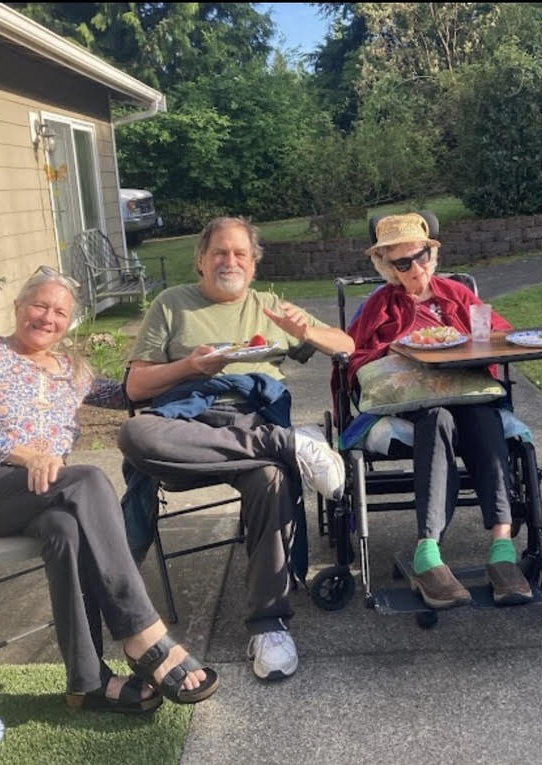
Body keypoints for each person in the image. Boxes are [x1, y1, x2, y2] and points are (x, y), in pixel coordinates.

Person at [0, 266, 217, 713]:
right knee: (86, 479)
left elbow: (127, 392)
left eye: (60, 312)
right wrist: (26, 454)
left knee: (64, 528)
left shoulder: (70, 369)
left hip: (44, 494)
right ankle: (143, 632)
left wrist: (192, 367)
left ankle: (86, 682)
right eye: (39, 305)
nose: (48, 318)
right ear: (17, 307)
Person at [117, 216, 353, 682]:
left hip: (251, 415)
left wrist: (302, 330)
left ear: (253, 261)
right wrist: (189, 365)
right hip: (188, 425)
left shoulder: (268, 305)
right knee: (135, 435)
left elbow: (345, 344)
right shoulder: (171, 304)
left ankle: (269, 626)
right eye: (220, 253)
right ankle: (288, 444)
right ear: (201, 259)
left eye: (240, 253)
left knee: (269, 477)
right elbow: (135, 387)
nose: (230, 261)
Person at [340, 212, 535, 610]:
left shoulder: (458, 296)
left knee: (482, 416)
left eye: (422, 256)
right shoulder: (379, 306)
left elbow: (499, 334)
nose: (416, 268)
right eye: (402, 262)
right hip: (415, 405)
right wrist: (399, 351)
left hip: (468, 394)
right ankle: (427, 552)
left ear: (432, 254)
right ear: (387, 267)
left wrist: (475, 344)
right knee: (437, 419)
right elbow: (354, 361)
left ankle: (502, 549)